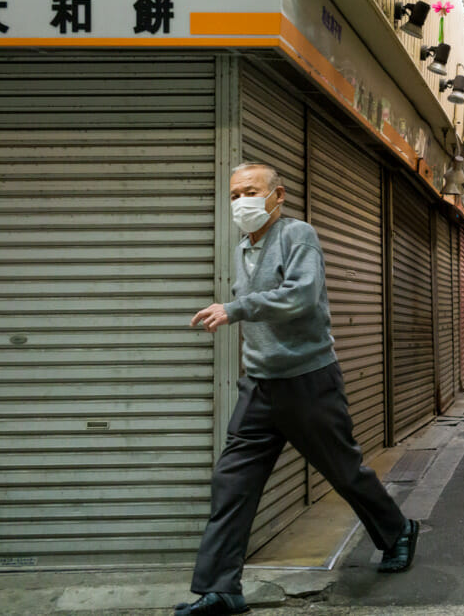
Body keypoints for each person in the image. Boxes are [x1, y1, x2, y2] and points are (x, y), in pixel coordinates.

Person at [177, 163, 418, 616]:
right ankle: (221, 587)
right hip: (259, 386)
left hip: (308, 379)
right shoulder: (243, 247)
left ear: (277, 195)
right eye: (234, 194)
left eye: (250, 191)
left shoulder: (297, 234)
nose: (240, 202)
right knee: (232, 482)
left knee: (344, 471)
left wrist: (235, 309)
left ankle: (397, 531)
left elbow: (302, 296)